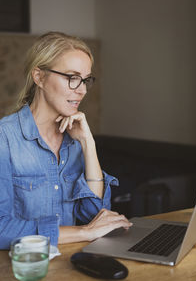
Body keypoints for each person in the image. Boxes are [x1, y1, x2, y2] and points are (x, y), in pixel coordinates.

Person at [0, 31, 131, 249]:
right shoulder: (5, 138)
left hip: (70, 265)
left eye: (86, 80)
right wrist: (84, 232)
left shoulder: (75, 139)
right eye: (72, 78)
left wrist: (88, 144)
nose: (81, 90)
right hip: (24, 268)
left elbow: (95, 213)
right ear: (39, 77)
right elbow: (1, 229)